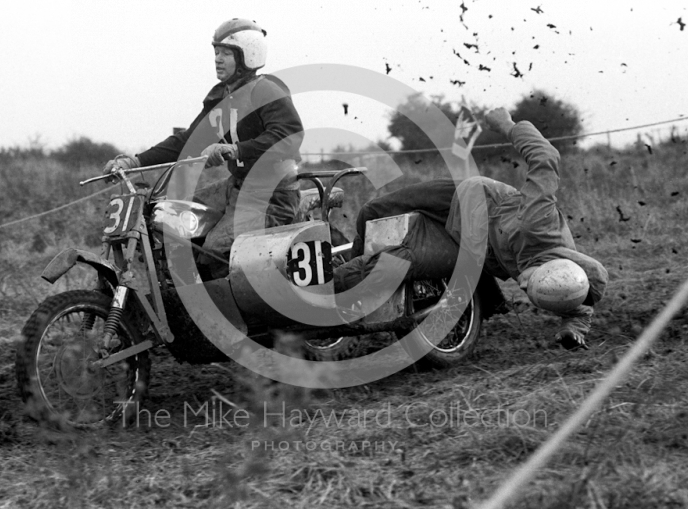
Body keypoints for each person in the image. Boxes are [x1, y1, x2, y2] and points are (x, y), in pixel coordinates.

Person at [334, 108, 608, 349]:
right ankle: (345, 274)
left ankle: (339, 293)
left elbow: (578, 308)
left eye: (532, 290)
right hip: (463, 200)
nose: (522, 283)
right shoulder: (538, 222)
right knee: (372, 213)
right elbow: (546, 156)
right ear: (553, 267)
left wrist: (573, 331)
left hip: (467, 248)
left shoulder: (564, 285)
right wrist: (508, 125)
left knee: (394, 263)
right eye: (531, 280)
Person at [103, 18, 304, 279]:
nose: (218, 59)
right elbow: (188, 140)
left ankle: (229, 315)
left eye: (226, 53)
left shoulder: (266, 90)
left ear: (247, 56)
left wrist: (235, 150)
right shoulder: (220, 96)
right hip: (238, 186)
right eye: (216, 52)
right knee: (169, 220)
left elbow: (289, 136)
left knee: (216, 250)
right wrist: (134, 162)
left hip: (272, 194)